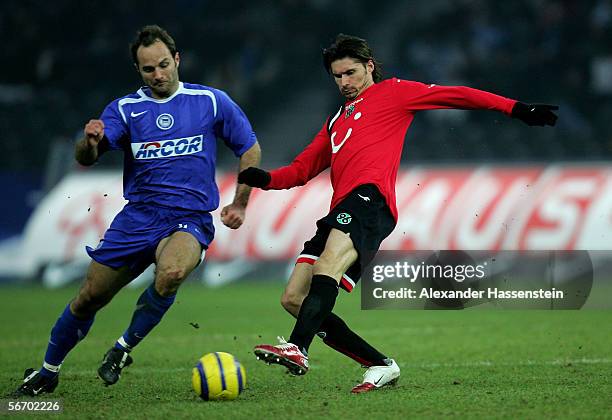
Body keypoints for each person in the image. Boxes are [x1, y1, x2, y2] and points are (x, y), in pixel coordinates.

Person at [237, 33, 557, 393]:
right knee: (293, 298)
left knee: (327, 267)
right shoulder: (335, 121)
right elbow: (300, 169)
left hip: (370, 201)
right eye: (338, 76)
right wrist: (263, 178)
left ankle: (298, 348)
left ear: (369, 66)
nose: (345, 82)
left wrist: (516, 108)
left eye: (351, 73)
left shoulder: (394, 92)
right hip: (341, 209)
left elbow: (458, 95)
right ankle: (379, 364)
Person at [15, 25, 261, 397]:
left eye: (164, 65)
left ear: (177, 60)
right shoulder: (126, 109)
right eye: (149, 69)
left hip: (189, 218)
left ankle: (122, 349)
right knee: (89, 298)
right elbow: (87, 157)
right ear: (139, 71)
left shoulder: (211, 101)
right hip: (138, 218)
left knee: (173, 272)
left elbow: (250, 148)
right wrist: (90, 141)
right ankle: (48, 371)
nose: (159, 74)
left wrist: (240, 201)